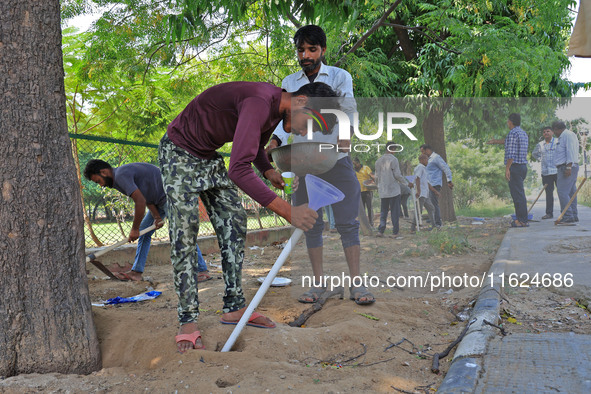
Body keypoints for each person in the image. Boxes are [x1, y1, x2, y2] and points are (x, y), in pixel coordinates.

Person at [159, 80, 338, 353]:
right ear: (301, 101)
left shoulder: (275, 110)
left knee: (234, 221)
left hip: (207, 157)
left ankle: (234, 307)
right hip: (179, 152)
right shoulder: (258, 102)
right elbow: (238, 170)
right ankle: (187, 319)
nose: (305, 132)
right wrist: (288, 211)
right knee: (185, 232)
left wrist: (268, 171)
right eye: (309, 124)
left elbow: (253, 149)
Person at [266, 25, 374, 306]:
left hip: (336, 159)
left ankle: (357, 283)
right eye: (301, 50)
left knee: (348, 223)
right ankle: (318, 285)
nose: (305, 55)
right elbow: (283, 118)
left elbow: (348, 111)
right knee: (310, 224)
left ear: (322, 51)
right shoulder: (289, 82)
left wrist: (345, 135)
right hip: (303, 162)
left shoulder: (340, 77)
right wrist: (275, 143)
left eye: (311, 49)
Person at [83, 160, 211, 282]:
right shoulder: (118, 178)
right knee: (144, 233)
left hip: (172, 196)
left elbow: (140, 201)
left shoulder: (120, 176)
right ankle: (136, 273)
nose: (101, 185)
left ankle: (201, 271)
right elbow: (146, 196)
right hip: (159, 200)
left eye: (98, 181)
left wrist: (135, 229)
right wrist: (156, 217)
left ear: (104, 172)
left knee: (182, 232)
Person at [487, 113, 529, 227]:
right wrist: (495, 141)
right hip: (522, 167)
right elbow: (508, 142)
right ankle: (523, 219)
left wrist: (507, 169)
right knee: (520, 194)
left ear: (511, 121)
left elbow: (511, 154)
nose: (507, 123)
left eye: (508, 121)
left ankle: (521, 221)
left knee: (517, 195)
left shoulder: (512, 133)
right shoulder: (522, 133)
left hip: (514, 166)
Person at [375, 142, 410, 238]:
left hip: (383, 191)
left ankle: (380, 231)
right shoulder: (393, 160)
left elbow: (376, 177)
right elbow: (397, 175)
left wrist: (378, 186)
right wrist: (406, 183)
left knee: (384, 211)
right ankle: (395, 232)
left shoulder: (378, 161)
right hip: (393, 190)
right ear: (393, 149)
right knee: (395, 212)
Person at [419, 144, 454, 228]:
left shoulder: (436, 158)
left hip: (434, 184)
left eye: (423, 151)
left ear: (427, 150)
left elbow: (445, 168)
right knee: (429, 205)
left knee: (434, 204)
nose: (422, 153)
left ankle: (438, 224)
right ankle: (433, 221)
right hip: (428, 185)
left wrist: (449, 180)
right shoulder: (427, 159)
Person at [552, 120, 580, 223]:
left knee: (562, 192)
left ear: (556, 129)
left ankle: (567, 216)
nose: (554, 133)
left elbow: (570, 150)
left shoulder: (567, 135)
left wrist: (568, 167)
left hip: (567, 167)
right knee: (571, 192)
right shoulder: (564, 136)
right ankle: (573, 215)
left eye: (554, 131)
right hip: (567, 166)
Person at [532, 126, 557, 219]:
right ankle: (549, 213)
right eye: (544, 132)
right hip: (546, 172)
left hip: (557, 171)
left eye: (548, 131)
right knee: (549, 193)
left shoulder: (557, 142)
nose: (546, 133)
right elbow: (534, 153)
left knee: (562, 192)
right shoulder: (540, 144)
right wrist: (541, 159)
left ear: (552, 132)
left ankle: (565, 213)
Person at [410, 154, 436, 233]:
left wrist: (435, 191)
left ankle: (434, 226)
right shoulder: (420, 167)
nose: (427, 161)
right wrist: (419, 191)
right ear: (422, 159)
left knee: (431, 208)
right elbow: (417, 178)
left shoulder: (424, 168)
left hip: (425, 193)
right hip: (421, 193)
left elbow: (426, 182)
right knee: (418, 211)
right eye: (426, 159)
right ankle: (412, 228)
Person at [353, 157, 375, 227]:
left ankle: (371, 223)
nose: (355, 165)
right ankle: (363, 223)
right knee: (362, 208)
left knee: (369, 207)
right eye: (353, 164)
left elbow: (372, 175)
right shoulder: (353, 170)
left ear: (359, 163)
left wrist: (375, 181)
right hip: (359, 191)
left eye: (355, 163)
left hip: (368, 190)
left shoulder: (366, 168)